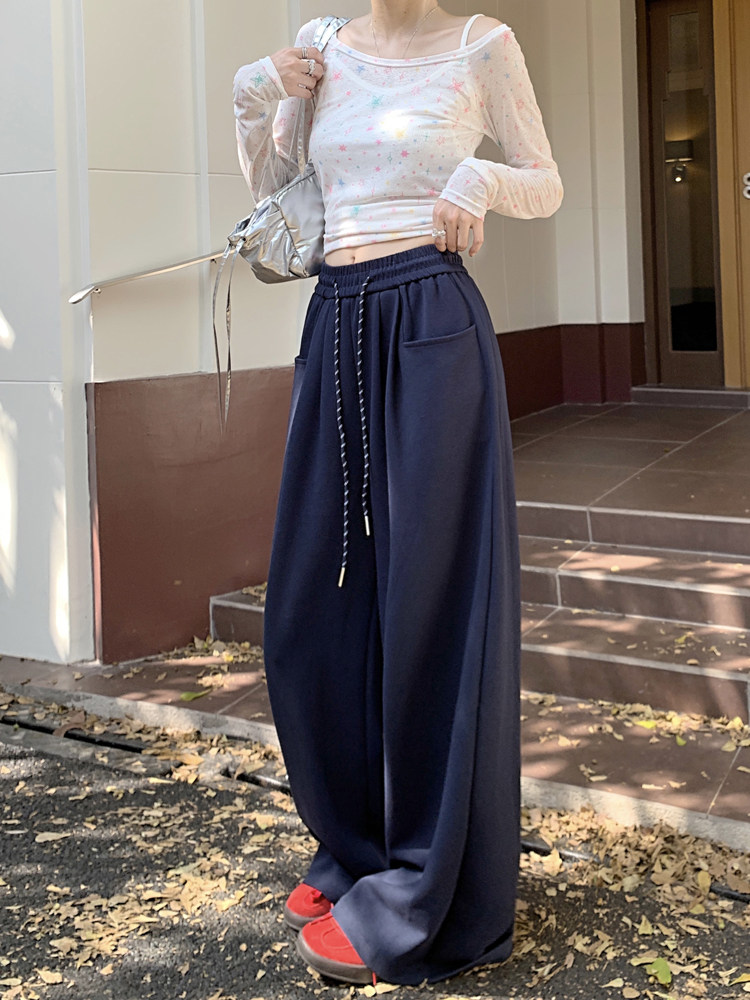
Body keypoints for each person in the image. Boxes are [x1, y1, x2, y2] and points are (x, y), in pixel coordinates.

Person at [232, 3, 563, 987]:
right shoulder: (320, 46)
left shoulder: (482, 46)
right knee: (314, 604)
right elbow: (277, 191)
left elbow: (545, 179)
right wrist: (255, 94)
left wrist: (479, 178)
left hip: (431, 319)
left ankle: (426, 889)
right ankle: (354, 844)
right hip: (335, 317)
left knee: (431, 608)